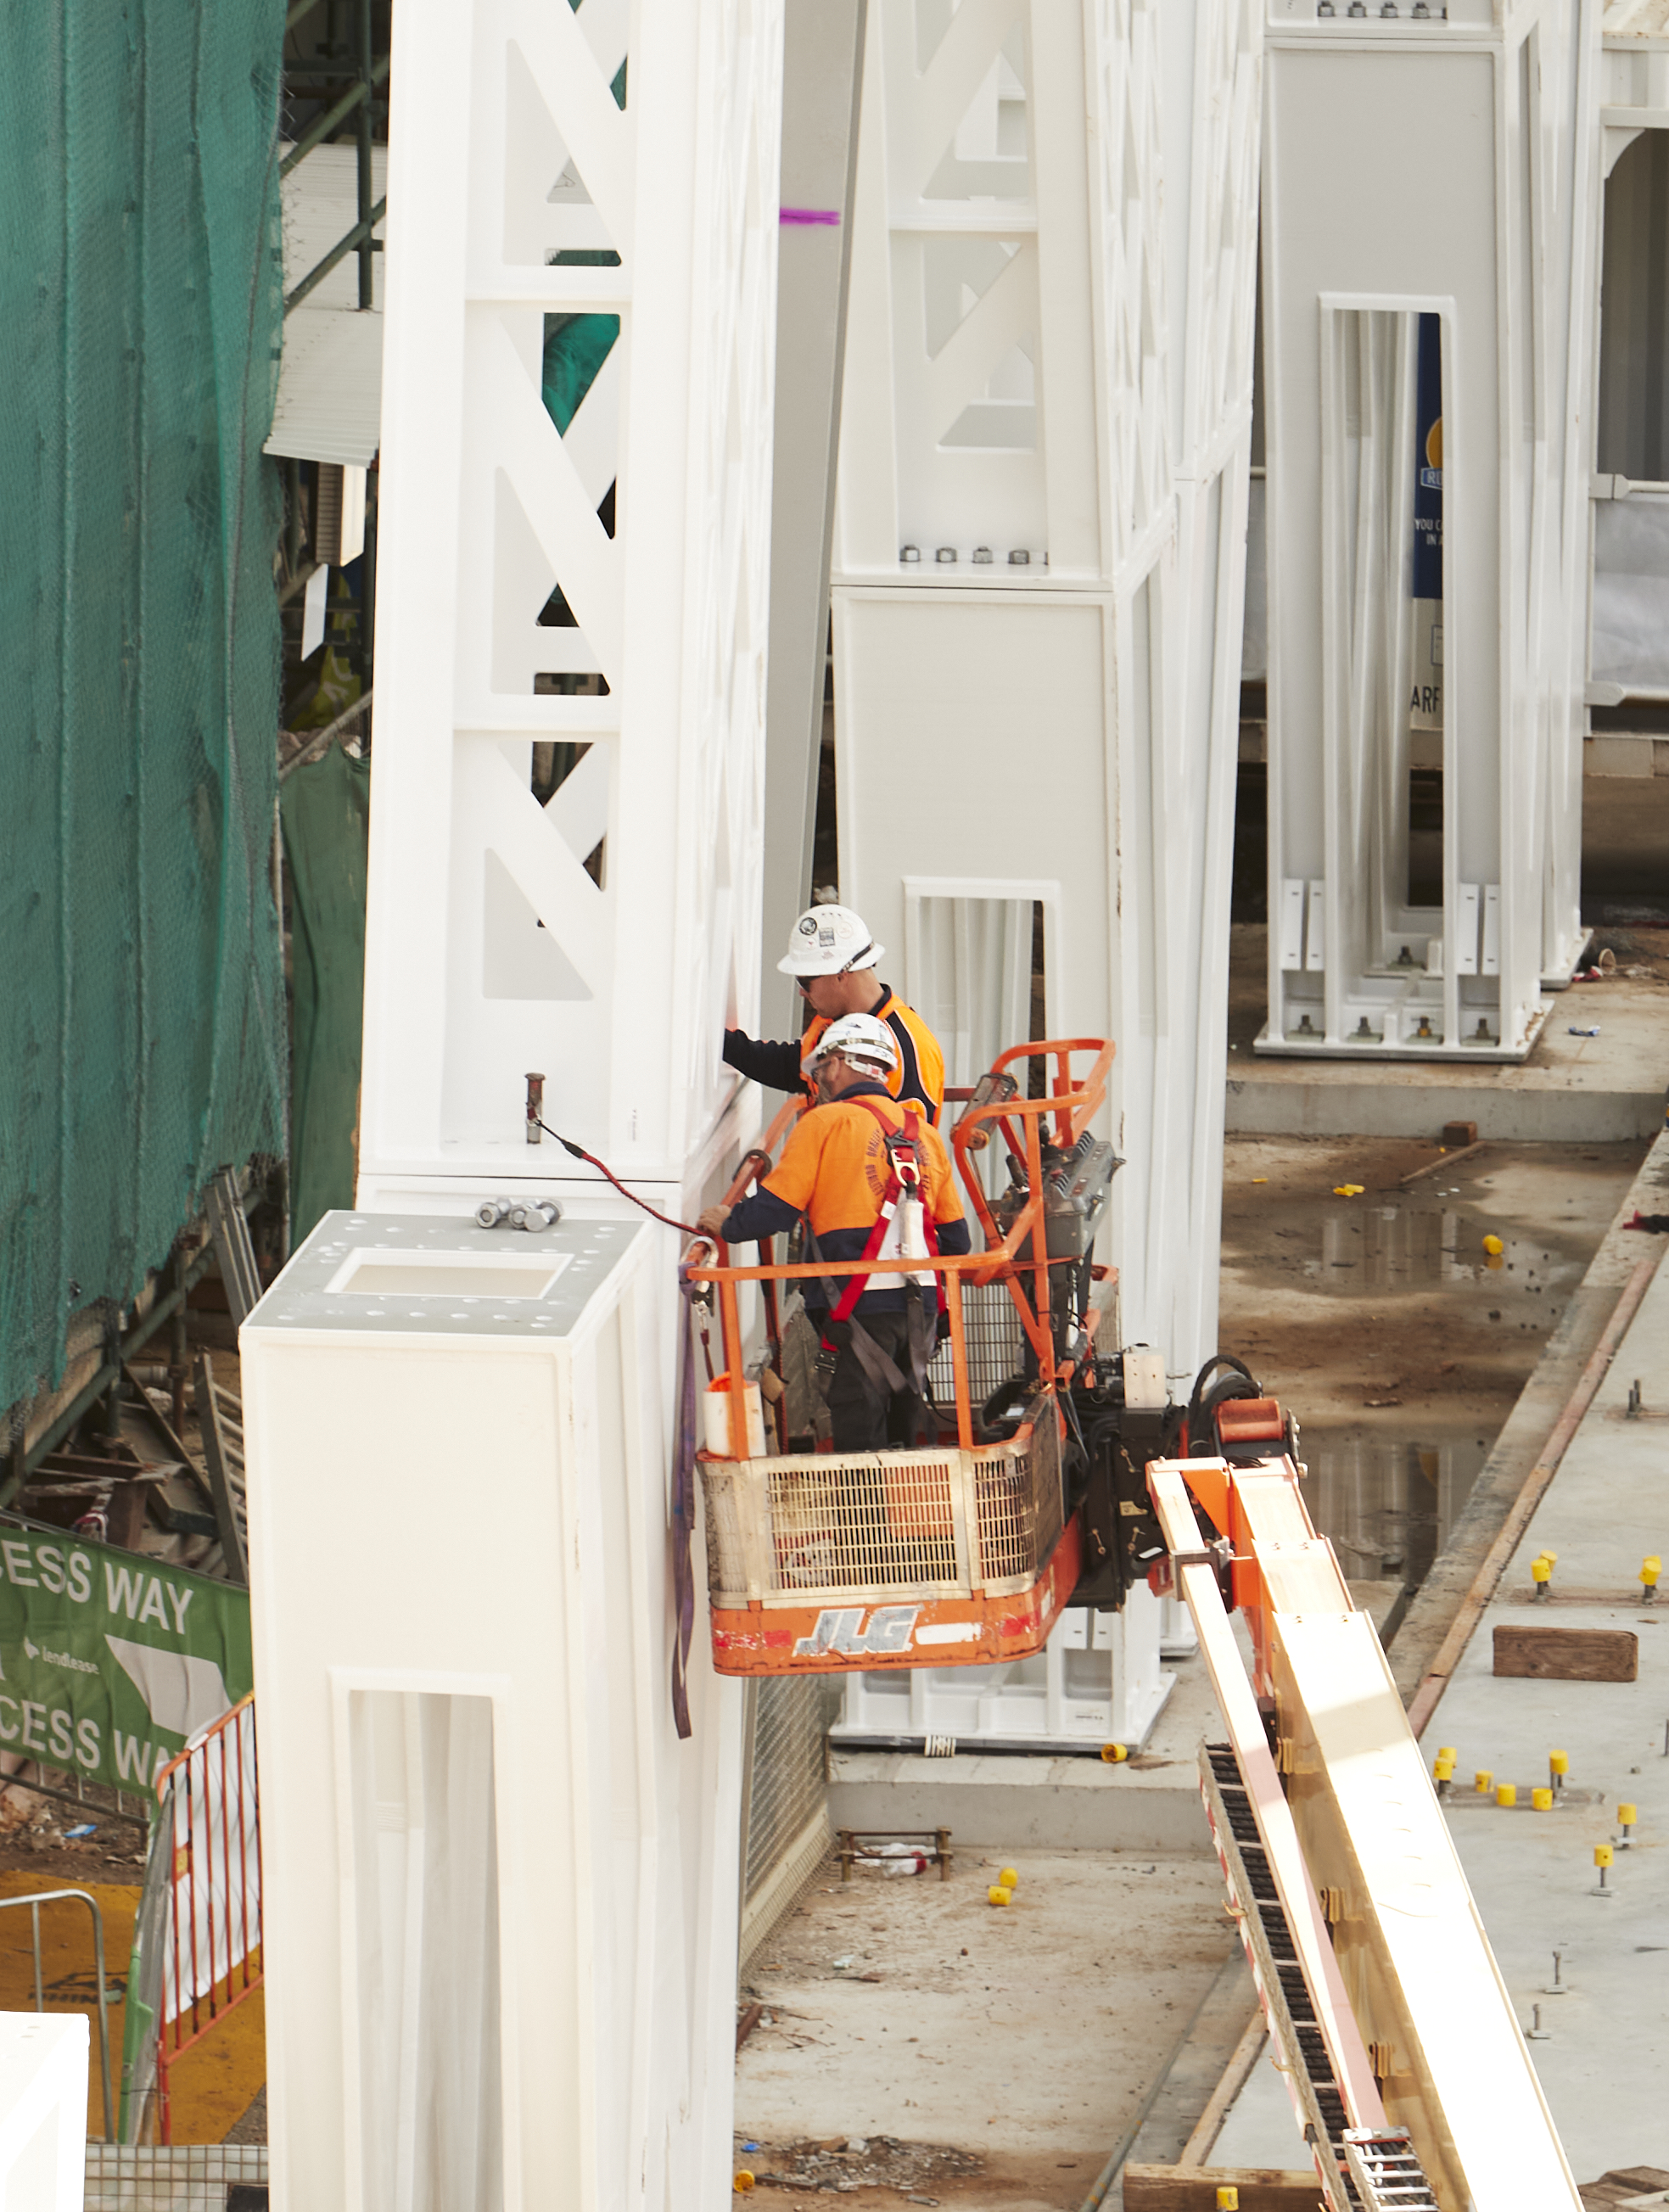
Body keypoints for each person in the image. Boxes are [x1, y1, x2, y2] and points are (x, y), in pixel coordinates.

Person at [698, 1014, 971, 1452]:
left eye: (821, 1068)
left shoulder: (823, 1124)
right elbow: (958, 1241)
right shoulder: (925, 1136)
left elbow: (776, 1210)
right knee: (904, 1417)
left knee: (857, 1434)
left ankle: (865, 1521)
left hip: (855, 1308)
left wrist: (727, 1223)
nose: (819, 1078)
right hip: (920, 1309)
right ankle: (905, 1515)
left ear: (842, 1062)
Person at [724, 902, 945, 1123]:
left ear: (840, 976)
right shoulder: (832, 1022)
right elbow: (788, 1067)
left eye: (805, 980)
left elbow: (910, 1146)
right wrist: (718, 1041)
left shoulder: (909, 1049)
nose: (801, 992)